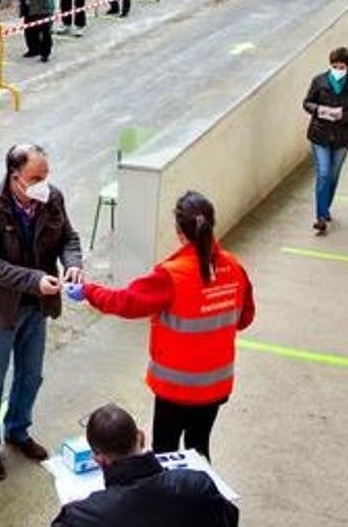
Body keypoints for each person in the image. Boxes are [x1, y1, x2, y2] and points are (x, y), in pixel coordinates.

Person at [68, 192, 254, 461]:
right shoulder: (234, 268)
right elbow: (245, 319)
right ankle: (201, 498)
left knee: (165, 453)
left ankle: (168, 502)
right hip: (216, 386)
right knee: (199, 448)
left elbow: (125, 303)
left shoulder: (171, 275)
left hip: (176, 389)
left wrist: (88, 291)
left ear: (179, 232)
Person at [0, 144, 83, 480]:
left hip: (37, 306)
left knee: (31, 375)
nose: (43, 184)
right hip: (0, 312)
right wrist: (35, 280)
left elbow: (69, 238)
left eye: (45, 176)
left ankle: (18, 430)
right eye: (35, 178)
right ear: (15, 176)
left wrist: (73, 265)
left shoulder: (52, 199)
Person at [50, 404, 240, 527]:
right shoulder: (197, 485)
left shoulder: (80, 516)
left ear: (99, 459)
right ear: (140, 437)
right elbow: (229, 518)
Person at [303, 47, 348, 234]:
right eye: (334, 65)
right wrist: (320, 110)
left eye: (341, 66)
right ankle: (321, 216)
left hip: (342, 136)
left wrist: (344, 115)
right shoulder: (319, 80)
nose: (337, 69)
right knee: (323, 173)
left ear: (347, 66)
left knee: (333, 175)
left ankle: (326, 206)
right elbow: (307, 102)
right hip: (319, 134)